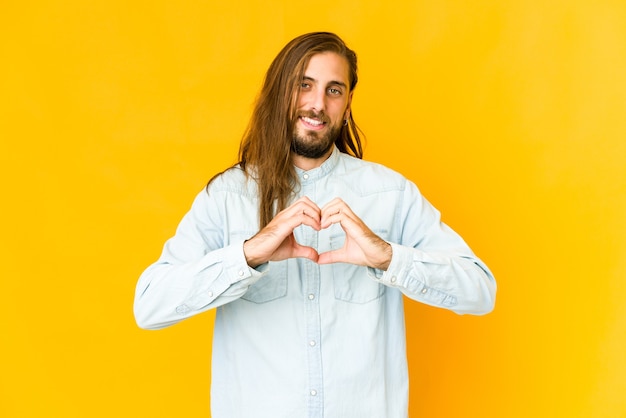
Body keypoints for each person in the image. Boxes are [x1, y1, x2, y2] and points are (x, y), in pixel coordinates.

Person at [134, 31, 496, 418]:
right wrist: (247, 255)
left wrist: (390, 258)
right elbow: (150, 306)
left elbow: (480, 291)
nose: (317, 104)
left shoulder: (390, 193)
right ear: (279, 91)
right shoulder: (227, 196)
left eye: (334, 90)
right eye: (303, 85)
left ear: (348, 102)